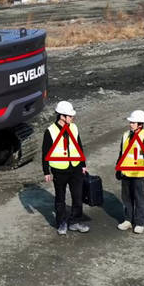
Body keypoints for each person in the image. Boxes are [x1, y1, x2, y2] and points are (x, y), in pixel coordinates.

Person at [42, 101, 89, 235]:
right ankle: (61, 223)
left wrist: (83, 164)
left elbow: (79, 146)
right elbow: (45, 153)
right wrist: (46, 171)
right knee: (60, 199)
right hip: (59, 170)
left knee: (77, 197)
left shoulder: (74, 127)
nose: (73, 118)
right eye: (70, 116)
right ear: (62, 116)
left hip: (75, 168)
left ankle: (75, 222)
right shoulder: (50, 131)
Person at [116, 110, 144, 234]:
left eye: (133, 122)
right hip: (126, 171)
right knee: (126, 197)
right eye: (130, 122)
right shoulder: (126, 135)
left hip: (139, 173)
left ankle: (139, 222)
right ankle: (128, 220)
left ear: (140, 124)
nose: (130, 124)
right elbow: (122, 152)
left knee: (139, 198)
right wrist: (118, 168)